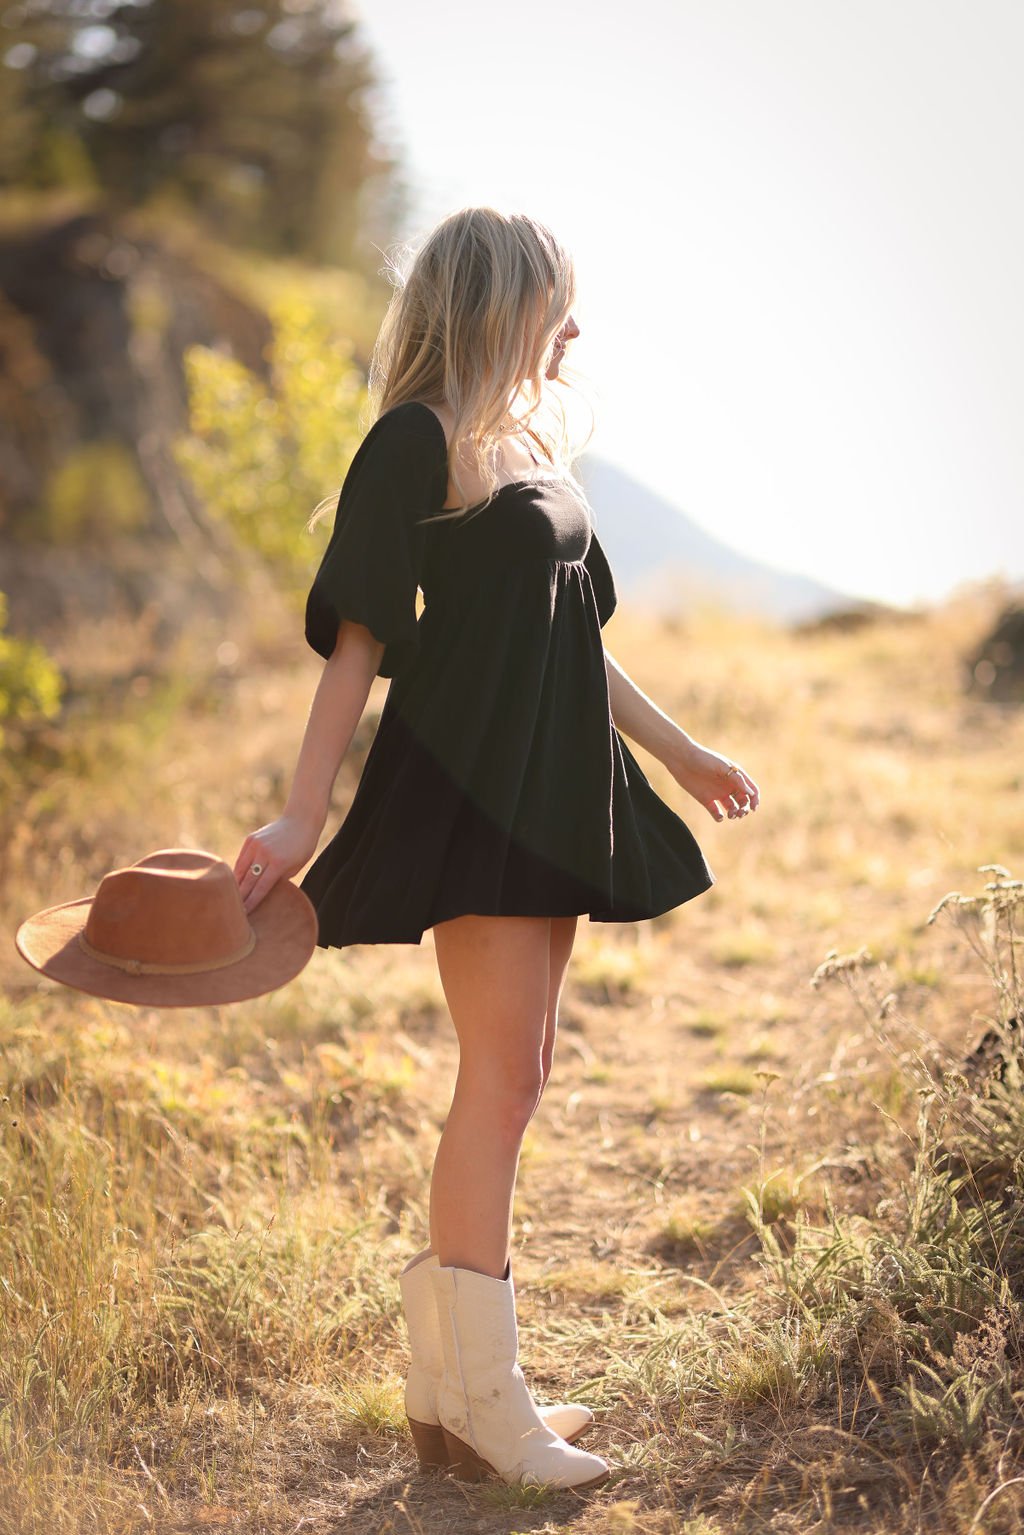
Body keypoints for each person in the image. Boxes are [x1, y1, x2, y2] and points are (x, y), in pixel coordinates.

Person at [234, 206, 759, 1492]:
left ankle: (453, 1384)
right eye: (556, 301)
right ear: (500, 300)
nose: (572, 327)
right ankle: (481, 1399)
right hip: (472, 789)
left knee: (519, 1068)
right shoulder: (414, 443)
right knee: (501, 1080)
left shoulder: (527, 446)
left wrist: (679, 752)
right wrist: (300, 816)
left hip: (560, 779)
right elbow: (356, 639)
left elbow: (579, 634)